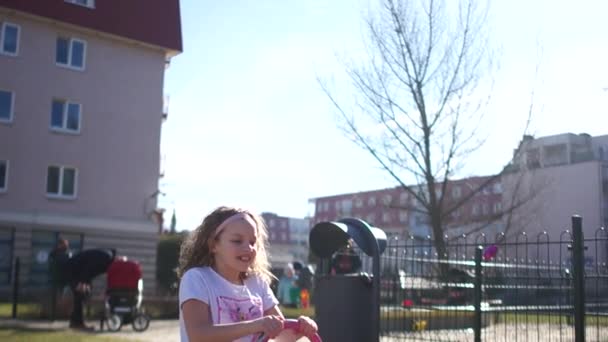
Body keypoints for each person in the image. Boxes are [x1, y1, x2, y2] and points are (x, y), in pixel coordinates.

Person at [178, 206, 318, 342]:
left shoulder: (257, 283)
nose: (248, 248)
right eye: (237, 241)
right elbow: (198, 336)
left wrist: (301, 328)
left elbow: (284, 338)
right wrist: (254, 326)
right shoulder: (197, 278)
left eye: (252, 242)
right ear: (214, 245)